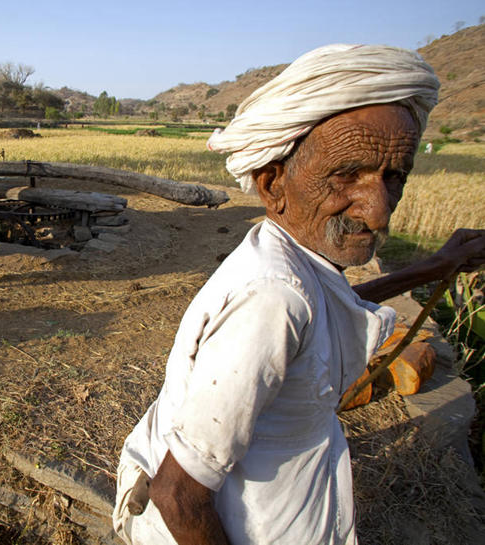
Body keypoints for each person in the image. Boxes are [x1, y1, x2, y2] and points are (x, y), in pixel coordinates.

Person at [112, 44, 485, 545]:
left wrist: (436, 265)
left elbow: (324, 312)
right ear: (273, 185)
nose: (378, 211)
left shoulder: (291, 261)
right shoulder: (272, 297)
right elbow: (178, 495)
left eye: (393, 176)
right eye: (347, 174)